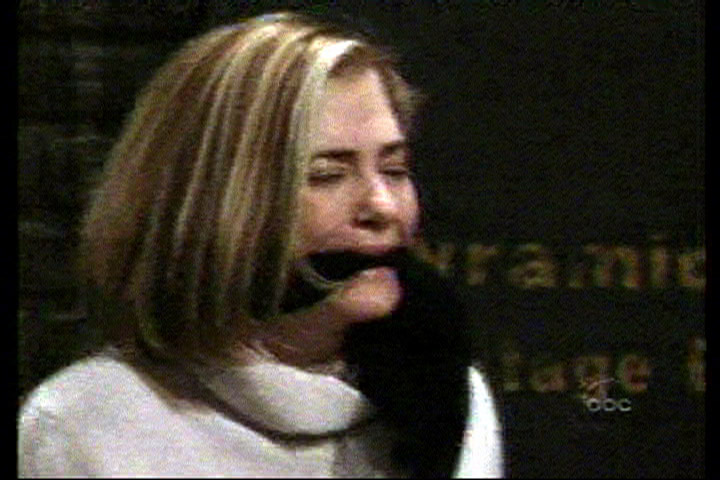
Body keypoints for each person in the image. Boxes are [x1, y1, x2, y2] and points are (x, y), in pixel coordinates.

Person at [18, 11, 503, 477]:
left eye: (394, 170)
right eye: (327, 175)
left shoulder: (444, 398)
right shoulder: (84, 427)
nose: (383, 207)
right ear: (215, 202)